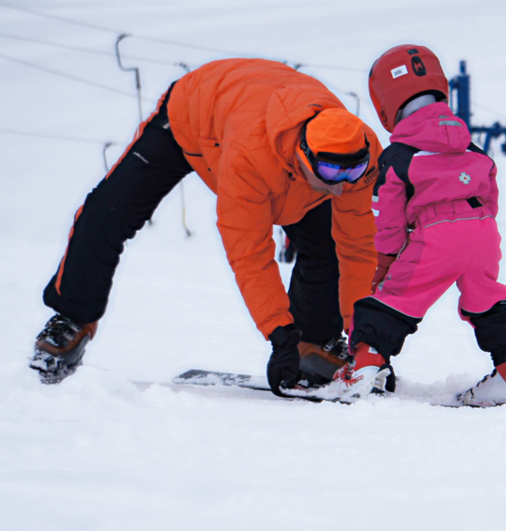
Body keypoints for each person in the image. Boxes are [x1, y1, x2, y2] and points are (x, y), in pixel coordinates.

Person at [31, 59, 381, 392]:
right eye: (333, 173)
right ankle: (71, 320)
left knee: (330, 242)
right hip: (193, 115)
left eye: (352, 173)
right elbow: (250, 253)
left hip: (264, 113)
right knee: (107, 214)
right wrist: (278, 334)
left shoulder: (355, 159)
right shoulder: (248, 156)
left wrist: (362, 337)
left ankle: (316, 342)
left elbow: (359, 246)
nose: (341, 186)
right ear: (304, 155)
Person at [329, 44, 506, 405]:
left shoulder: (399, 157)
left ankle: (364, 369)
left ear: (386, 106)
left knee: (395, 299)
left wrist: (386, 261)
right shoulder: (472, 148)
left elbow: (388, 218)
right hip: (482, 232)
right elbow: (491, 193)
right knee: (486, 297)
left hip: (435, 236)